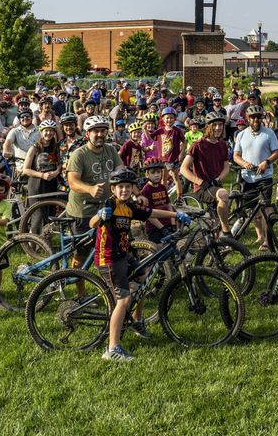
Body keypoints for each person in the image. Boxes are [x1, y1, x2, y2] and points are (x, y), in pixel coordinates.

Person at [93, 167, 187, 361]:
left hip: (124, 254)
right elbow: (92, 223)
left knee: (144, 279)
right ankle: (112, 349)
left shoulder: (129, 206)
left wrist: (175, 215)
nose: (124, 190)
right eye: (120, 187)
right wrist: (100, 215)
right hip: (109, 259)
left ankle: (136, 320)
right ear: (113, 189)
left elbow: (150, 212)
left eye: (128, 187)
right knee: (123, 300)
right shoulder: (110, 204)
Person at [64, 115, 122, 266]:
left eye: (103, 130)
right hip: (83, 212)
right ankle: (76, 279)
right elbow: (72, 182)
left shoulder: (110, 150)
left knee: (114, 245)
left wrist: (137, 193)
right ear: (87, 134)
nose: (100, 134)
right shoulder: (79, 154)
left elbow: (121, 173)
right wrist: (90, 189)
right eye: (95, 131)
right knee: (82, 255)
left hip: (106, 208)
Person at [233, 105, 278, 249]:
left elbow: (277, 151)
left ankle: (267, 239)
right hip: (247, 177)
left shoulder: (269, 133)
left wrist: (267, 162)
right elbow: (236, 155)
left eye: (258, 117)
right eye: (253, 117)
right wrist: (244, 163)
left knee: (266, 208)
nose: (256, 120)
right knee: (252, 210)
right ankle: (260, 235)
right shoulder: (241, 135)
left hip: (264, 177)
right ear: (247, 119)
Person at [179, 112, 232, 232]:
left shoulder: (223, 145)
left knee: (217, 219)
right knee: (224, 195)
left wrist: (218, 179)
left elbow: (226, 167)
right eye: (214, 125)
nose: (218, 128)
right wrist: (201, 182)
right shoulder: (198, 145)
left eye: (220, 125)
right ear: (208, 127)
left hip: (216, 186)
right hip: (202, 188)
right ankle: (227, 232)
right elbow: (183, 169)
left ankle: (218, 237)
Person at [2, 108, 39, 176]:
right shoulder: (14, 131)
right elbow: (7, 142)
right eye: (22, 117)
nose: (25, 118)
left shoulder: (39, 130)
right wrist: (6, 150)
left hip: (37, 164)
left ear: (31, 117)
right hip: (21, 165)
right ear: (19, 119)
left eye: (27, 116)